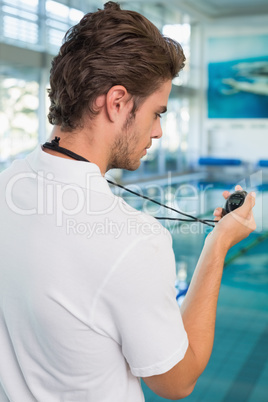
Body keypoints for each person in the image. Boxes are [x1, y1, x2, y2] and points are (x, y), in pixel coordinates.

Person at [0, 2, 256, 401]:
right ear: (117, 102)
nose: (157, 132)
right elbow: (176, 381)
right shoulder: (132, 240)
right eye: (156, 113)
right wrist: (218, 245)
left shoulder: (6, 185)